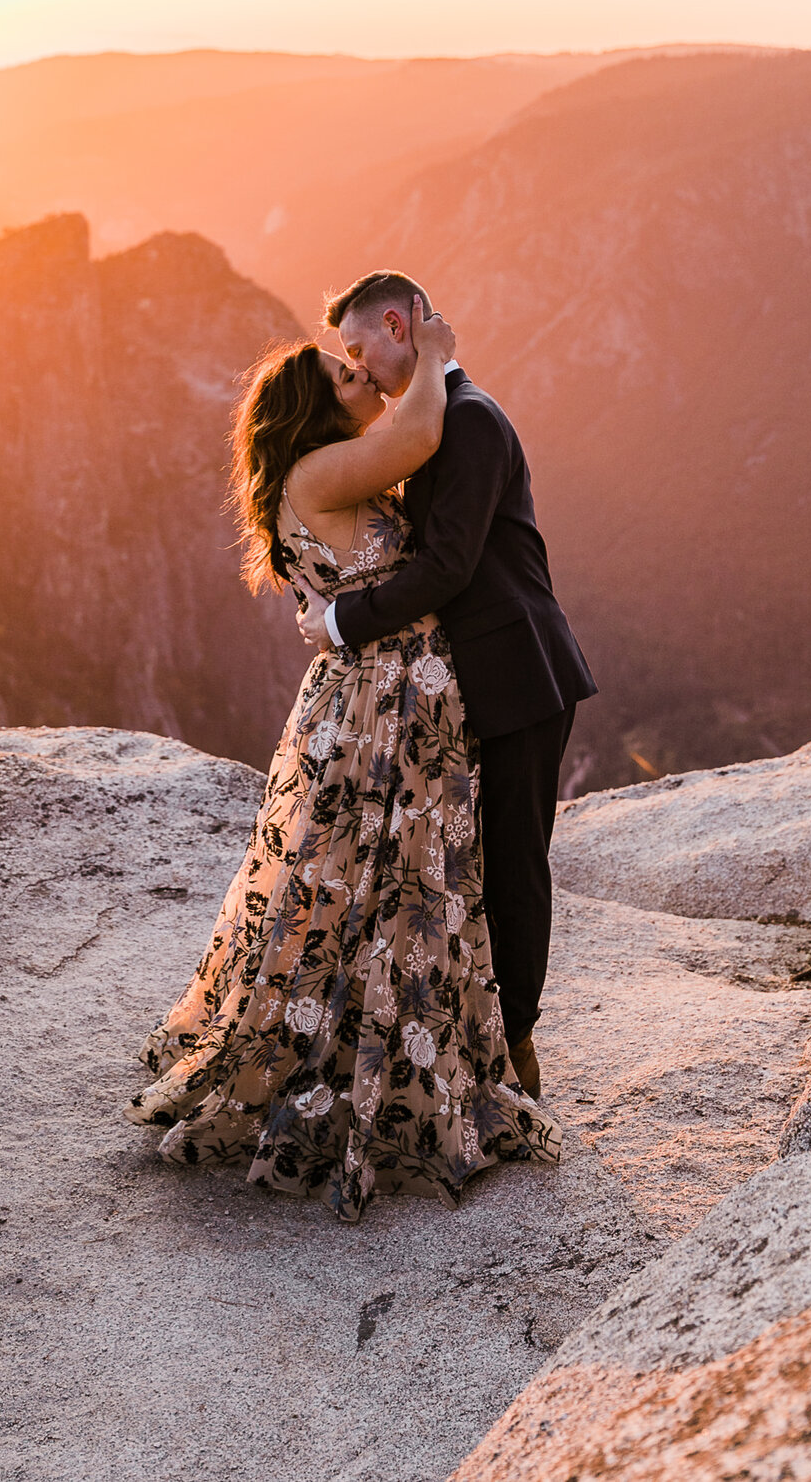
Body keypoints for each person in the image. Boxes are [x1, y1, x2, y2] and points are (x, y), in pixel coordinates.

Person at [128, 307, 560, 1221]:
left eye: (360, 362)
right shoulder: (323, 468)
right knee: (392, 880)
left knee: (367, 882)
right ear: (311, 412)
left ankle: (375, 1047)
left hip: (384, 702)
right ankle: (376, 1070)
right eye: (343, 374)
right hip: (385, 705)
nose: (360, 377)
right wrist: (434, 351)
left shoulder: (316, 473)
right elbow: (422, 427)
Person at [297, 272, 597, 1106]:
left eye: (359, 348)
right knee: (479, 863)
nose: (356, 365)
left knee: (513, 865)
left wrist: (341, 622)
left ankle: (521, 1046)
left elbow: (448, 566)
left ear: (400, 324)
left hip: (521, 677)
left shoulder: (466, 420)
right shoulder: (433, 418)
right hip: (485, 680)